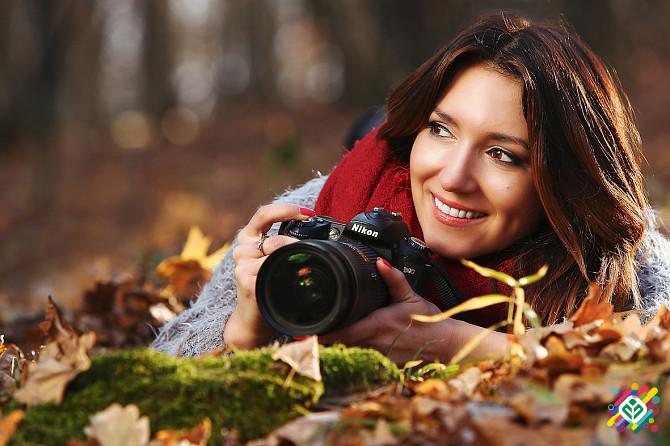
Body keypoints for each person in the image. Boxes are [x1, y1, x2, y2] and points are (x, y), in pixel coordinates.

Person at [152, 11, 670, 364]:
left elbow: (647, 417)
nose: (452, 177)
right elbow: (149, 379)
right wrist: (244, 329)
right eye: (441, 129)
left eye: (502, 155)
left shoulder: (623, 255)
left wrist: (463, 345)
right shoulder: (316, 210)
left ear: (564, 182)